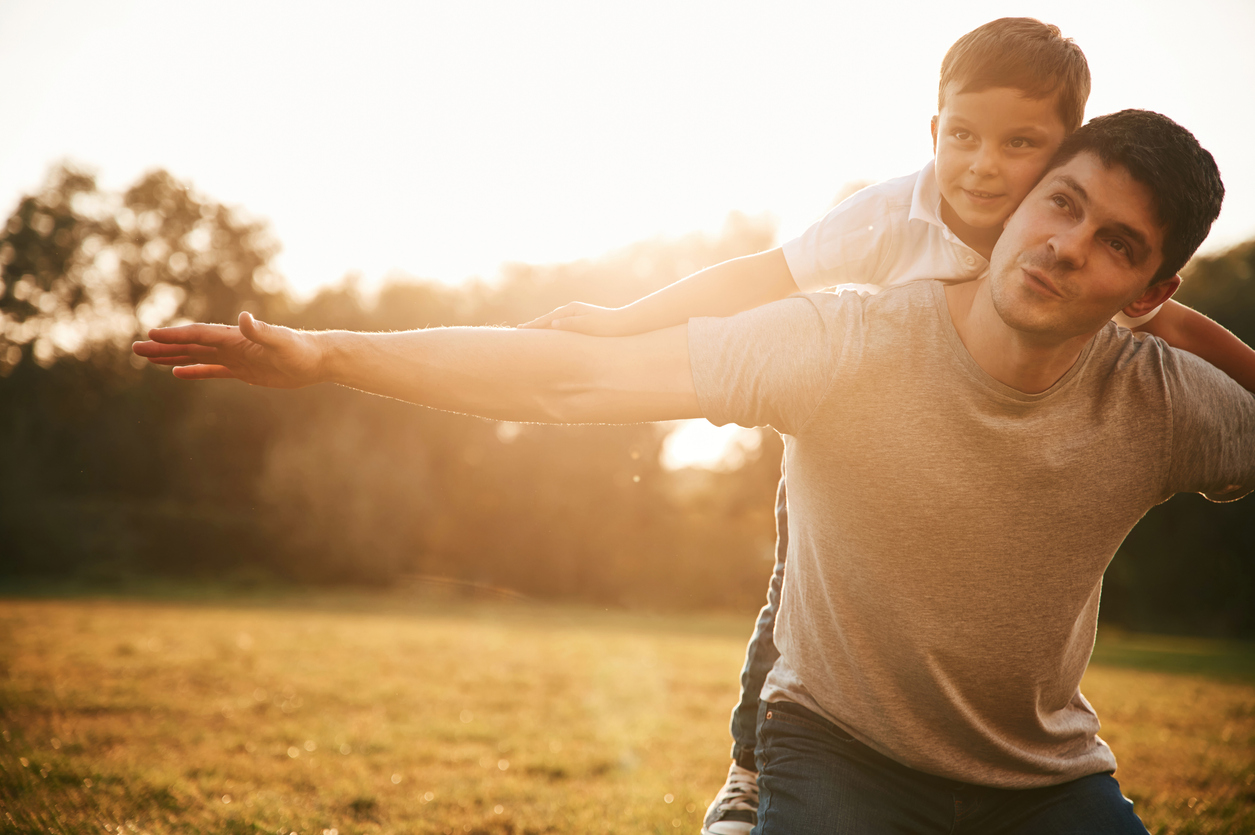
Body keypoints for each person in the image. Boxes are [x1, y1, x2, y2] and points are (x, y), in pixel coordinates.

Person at [134, 108, 1252, 832]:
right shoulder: (847, 343)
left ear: (1149, 294)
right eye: (1062, 201)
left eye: (1117, 242)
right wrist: (329, 353)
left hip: (1047, 784)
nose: (1066, 242)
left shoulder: (1161, 406)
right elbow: (566, 374)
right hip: (841, 753)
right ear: (1022, 202)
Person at [517, 19, 1255, 833]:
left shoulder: (1069, 237)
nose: (982, 164)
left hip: (973, 462)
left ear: (1059, 151)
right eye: (963, 136)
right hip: (862, 429)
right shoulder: (886, 217)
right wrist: (623, 318)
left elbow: (1181, 327)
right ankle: (749, 768)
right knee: (795, 587)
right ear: (935, 131)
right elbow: (758, 276)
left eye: (1018, 145)